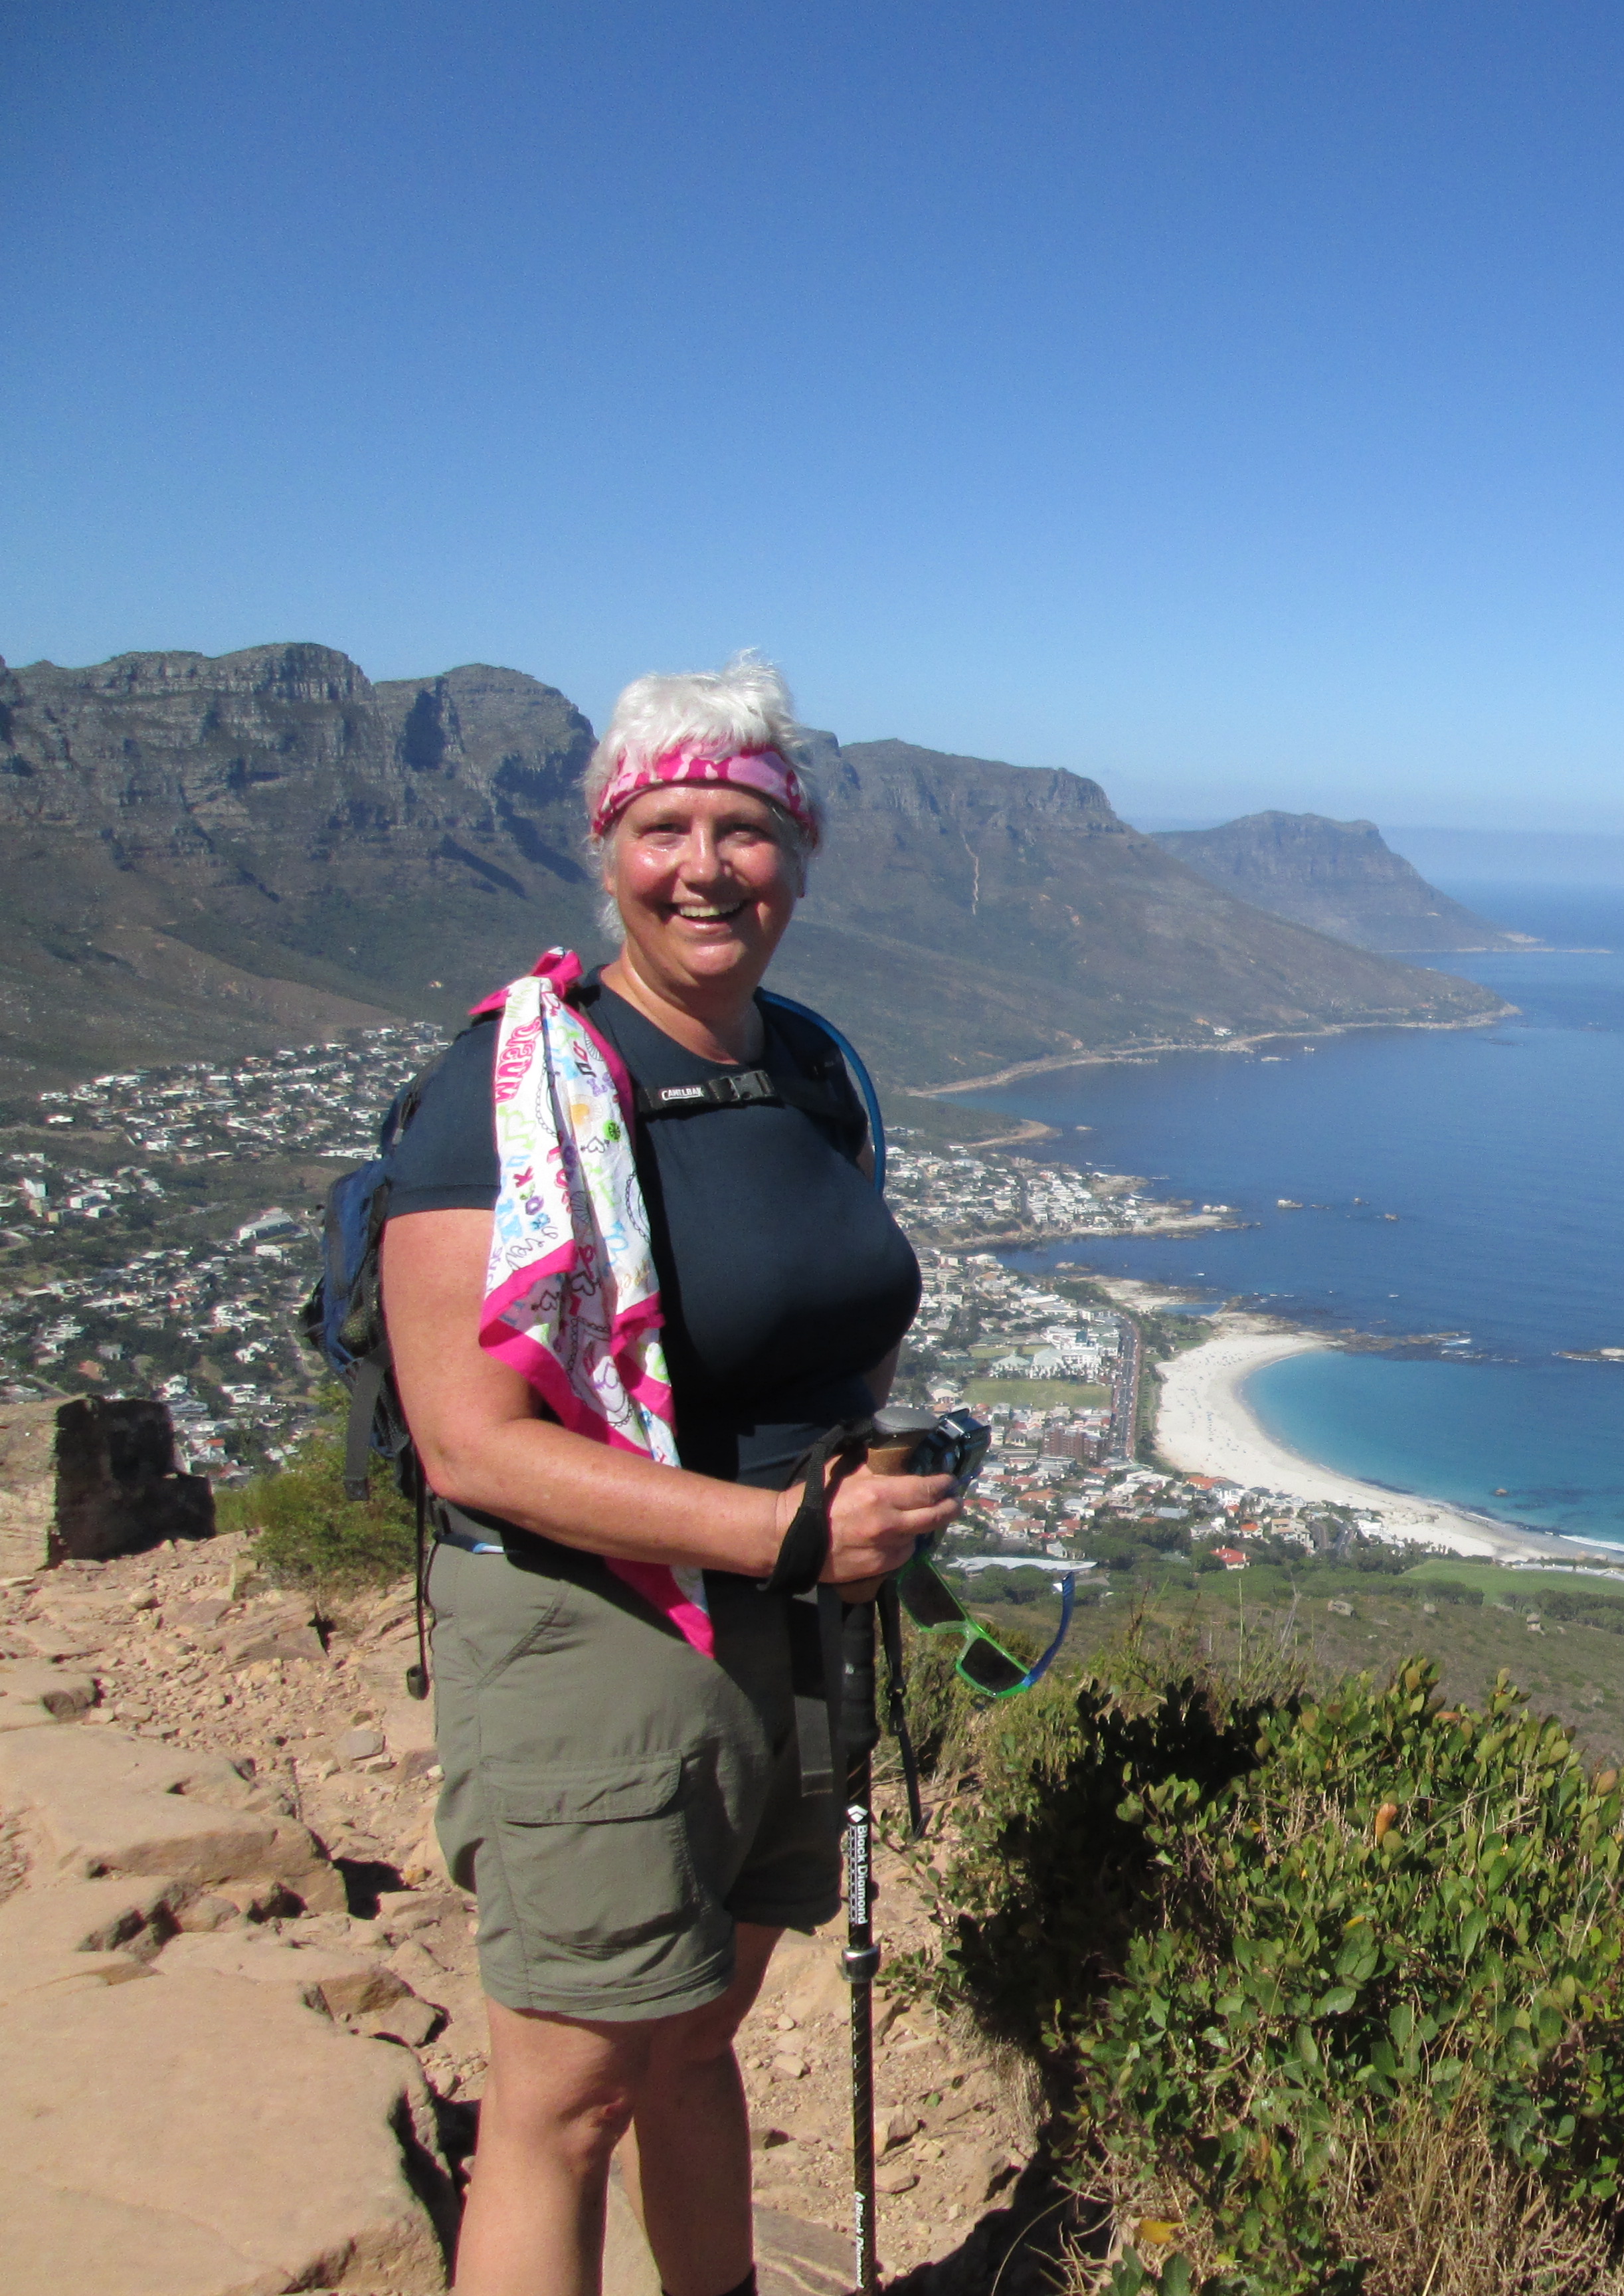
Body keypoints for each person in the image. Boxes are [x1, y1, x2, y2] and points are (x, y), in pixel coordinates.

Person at [380, 655, 958, 2296]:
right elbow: (471, 1441)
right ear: (607, 851)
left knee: (698, 2041)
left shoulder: (815, 1066)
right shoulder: (521, 1084)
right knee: (565, 2100)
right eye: (665, 830)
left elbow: (829, 1322)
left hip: (792, 1630)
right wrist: (783, 1529)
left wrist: (845, 1502)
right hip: (599, 1635)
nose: (706, 867)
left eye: (744, 830)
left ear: (800, 853)